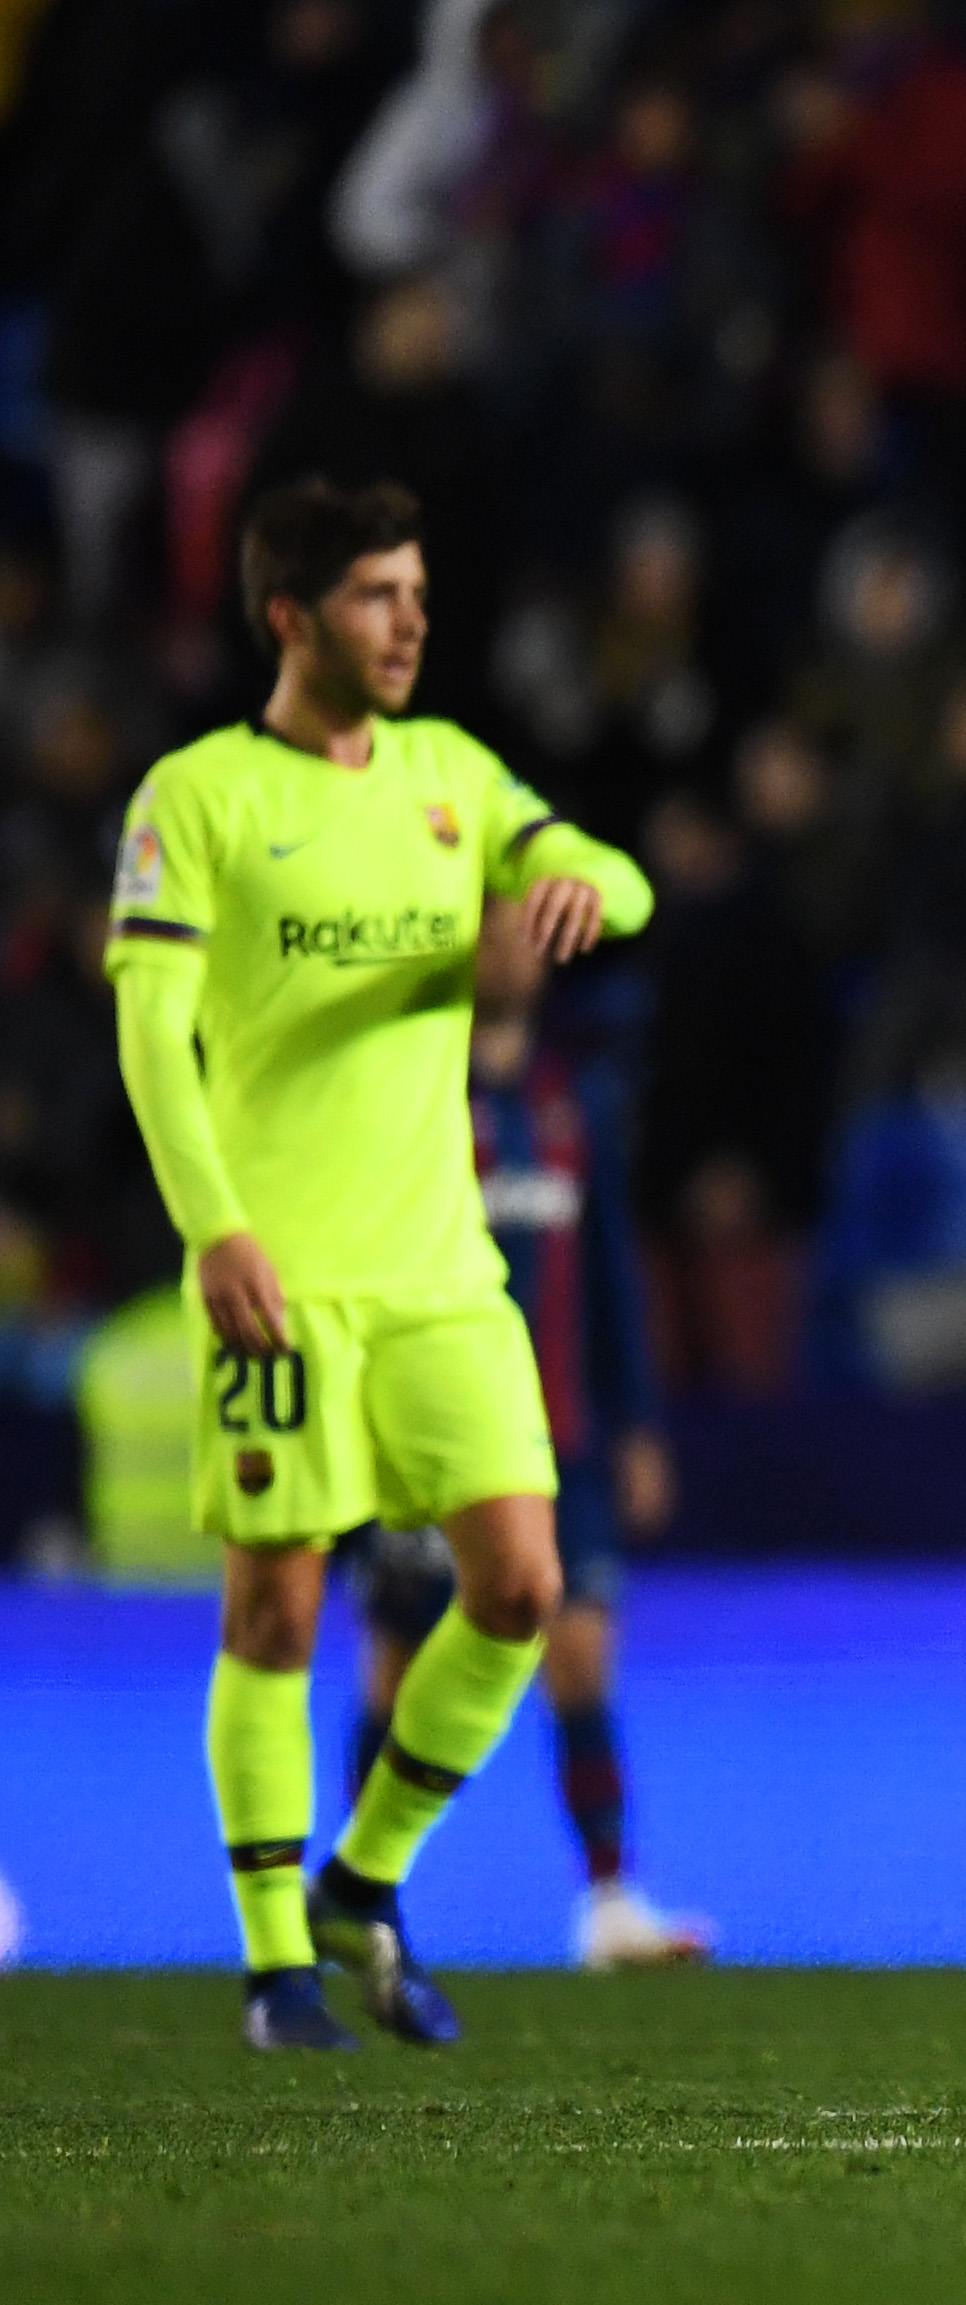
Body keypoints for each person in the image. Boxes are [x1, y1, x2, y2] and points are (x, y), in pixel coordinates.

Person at [105, 477, 653, 2051]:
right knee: (275, 1609)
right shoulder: (197, 797)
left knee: (523, 1587)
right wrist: (215, 1224)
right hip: (286, 1272)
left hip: (440, 1276)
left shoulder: (450, 776)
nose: (412, 622)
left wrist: (575, 884)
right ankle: (279, 1963)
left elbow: (624, 879)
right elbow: (152, 1034)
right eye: (375, 596)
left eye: (417, 592)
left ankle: (366, 1875)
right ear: (290, 616)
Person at [339, 897, 704, 1971]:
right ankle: (369, 1903)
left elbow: (607, 1273)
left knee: (581, 1651)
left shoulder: (570, 1096)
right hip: (425, 1436)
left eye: (523, 933)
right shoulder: (406, 1090)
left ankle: (609, 1901)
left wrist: (636, 1418)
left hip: (561, 1436)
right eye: (489, 929)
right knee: (398, 1670)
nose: (510, 949)